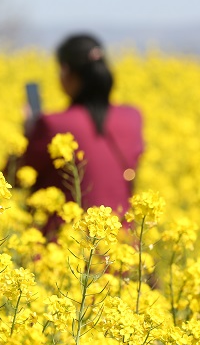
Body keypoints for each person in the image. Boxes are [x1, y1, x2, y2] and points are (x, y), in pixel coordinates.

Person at [17, 33, 144, 226]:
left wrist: (28, 133)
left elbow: (17, 176)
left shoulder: (52, 124)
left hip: (65, 248)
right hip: (120, 244)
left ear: (66, 72)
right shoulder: (133, 117)